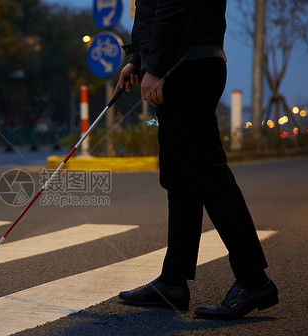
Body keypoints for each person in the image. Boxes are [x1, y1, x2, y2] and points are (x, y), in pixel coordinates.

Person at [116, 0, 278, 319]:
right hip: (180, 63)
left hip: (184, 65)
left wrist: (157, 66)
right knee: (180, 180)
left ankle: (254, 281)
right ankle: (173, 282)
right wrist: (139, 59)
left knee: (208, 176)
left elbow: (173, 6)